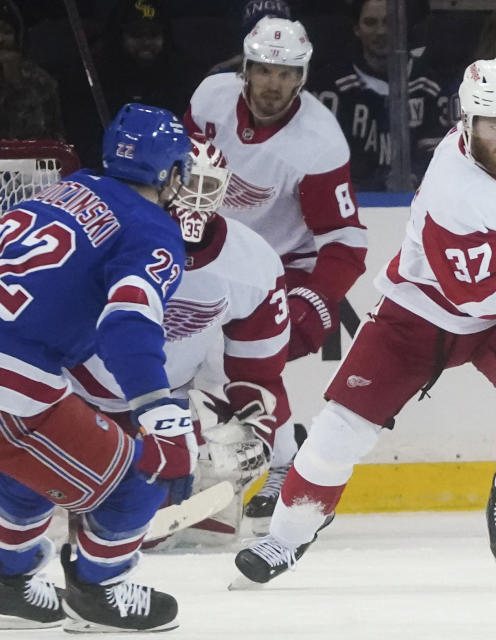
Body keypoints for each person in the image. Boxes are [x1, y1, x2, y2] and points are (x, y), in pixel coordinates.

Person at [231, 52, 496, 586]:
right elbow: (484, 295)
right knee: (336, 433)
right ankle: (286, 536)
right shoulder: (456, 191)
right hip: (424, 311)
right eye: (493, 126)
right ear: (466, 123)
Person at [0, 103, 194, 632]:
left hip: (16, 369)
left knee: (38, 464)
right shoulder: (152, 229)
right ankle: (98, 591)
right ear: (170, 173)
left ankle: (8, 580)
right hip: (9, 381)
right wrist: (157, 408)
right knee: (146, 469)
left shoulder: (63, 190)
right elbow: (126, 323)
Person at [65, 136, 292, 546]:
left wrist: (257, 436)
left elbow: (259, 370)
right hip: (79, 394)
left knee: (207, 531)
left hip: (165, 401)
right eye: (188, 184)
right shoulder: (110, 235)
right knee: (112, 522)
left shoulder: (252, 262)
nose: (195, 200)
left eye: (209, 187)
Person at [185, 16, 367, 522]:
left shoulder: (318, 141)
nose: (274, 85)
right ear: (246, 68)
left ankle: (289, 464)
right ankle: (267, 456)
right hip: (214, 251)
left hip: (280, 266)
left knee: (240, 359)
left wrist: (316, 297)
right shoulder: (210, 99)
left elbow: (347, 241)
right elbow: (177, 172)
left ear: (303, 77)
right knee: (190, 358)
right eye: (265, 70)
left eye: (287, 74)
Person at [308, 0, 446, 190]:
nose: (381, 31)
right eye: (371, 22)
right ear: (357, 29)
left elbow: (437, 157)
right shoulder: (329, 86)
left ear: (403, 25)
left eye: (389, 22)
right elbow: (319, 157)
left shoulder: (429, 84)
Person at [96, 0, 203, 119]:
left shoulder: (182, 76)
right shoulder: (98, 76)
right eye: (136, 34)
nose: (146, 42)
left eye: (154, 34)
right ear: (120, 38)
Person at [0, 0, 63, 139]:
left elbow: (49, 136)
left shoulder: (41, 82)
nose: (1, 40)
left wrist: (14, 80)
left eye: (7, 32)